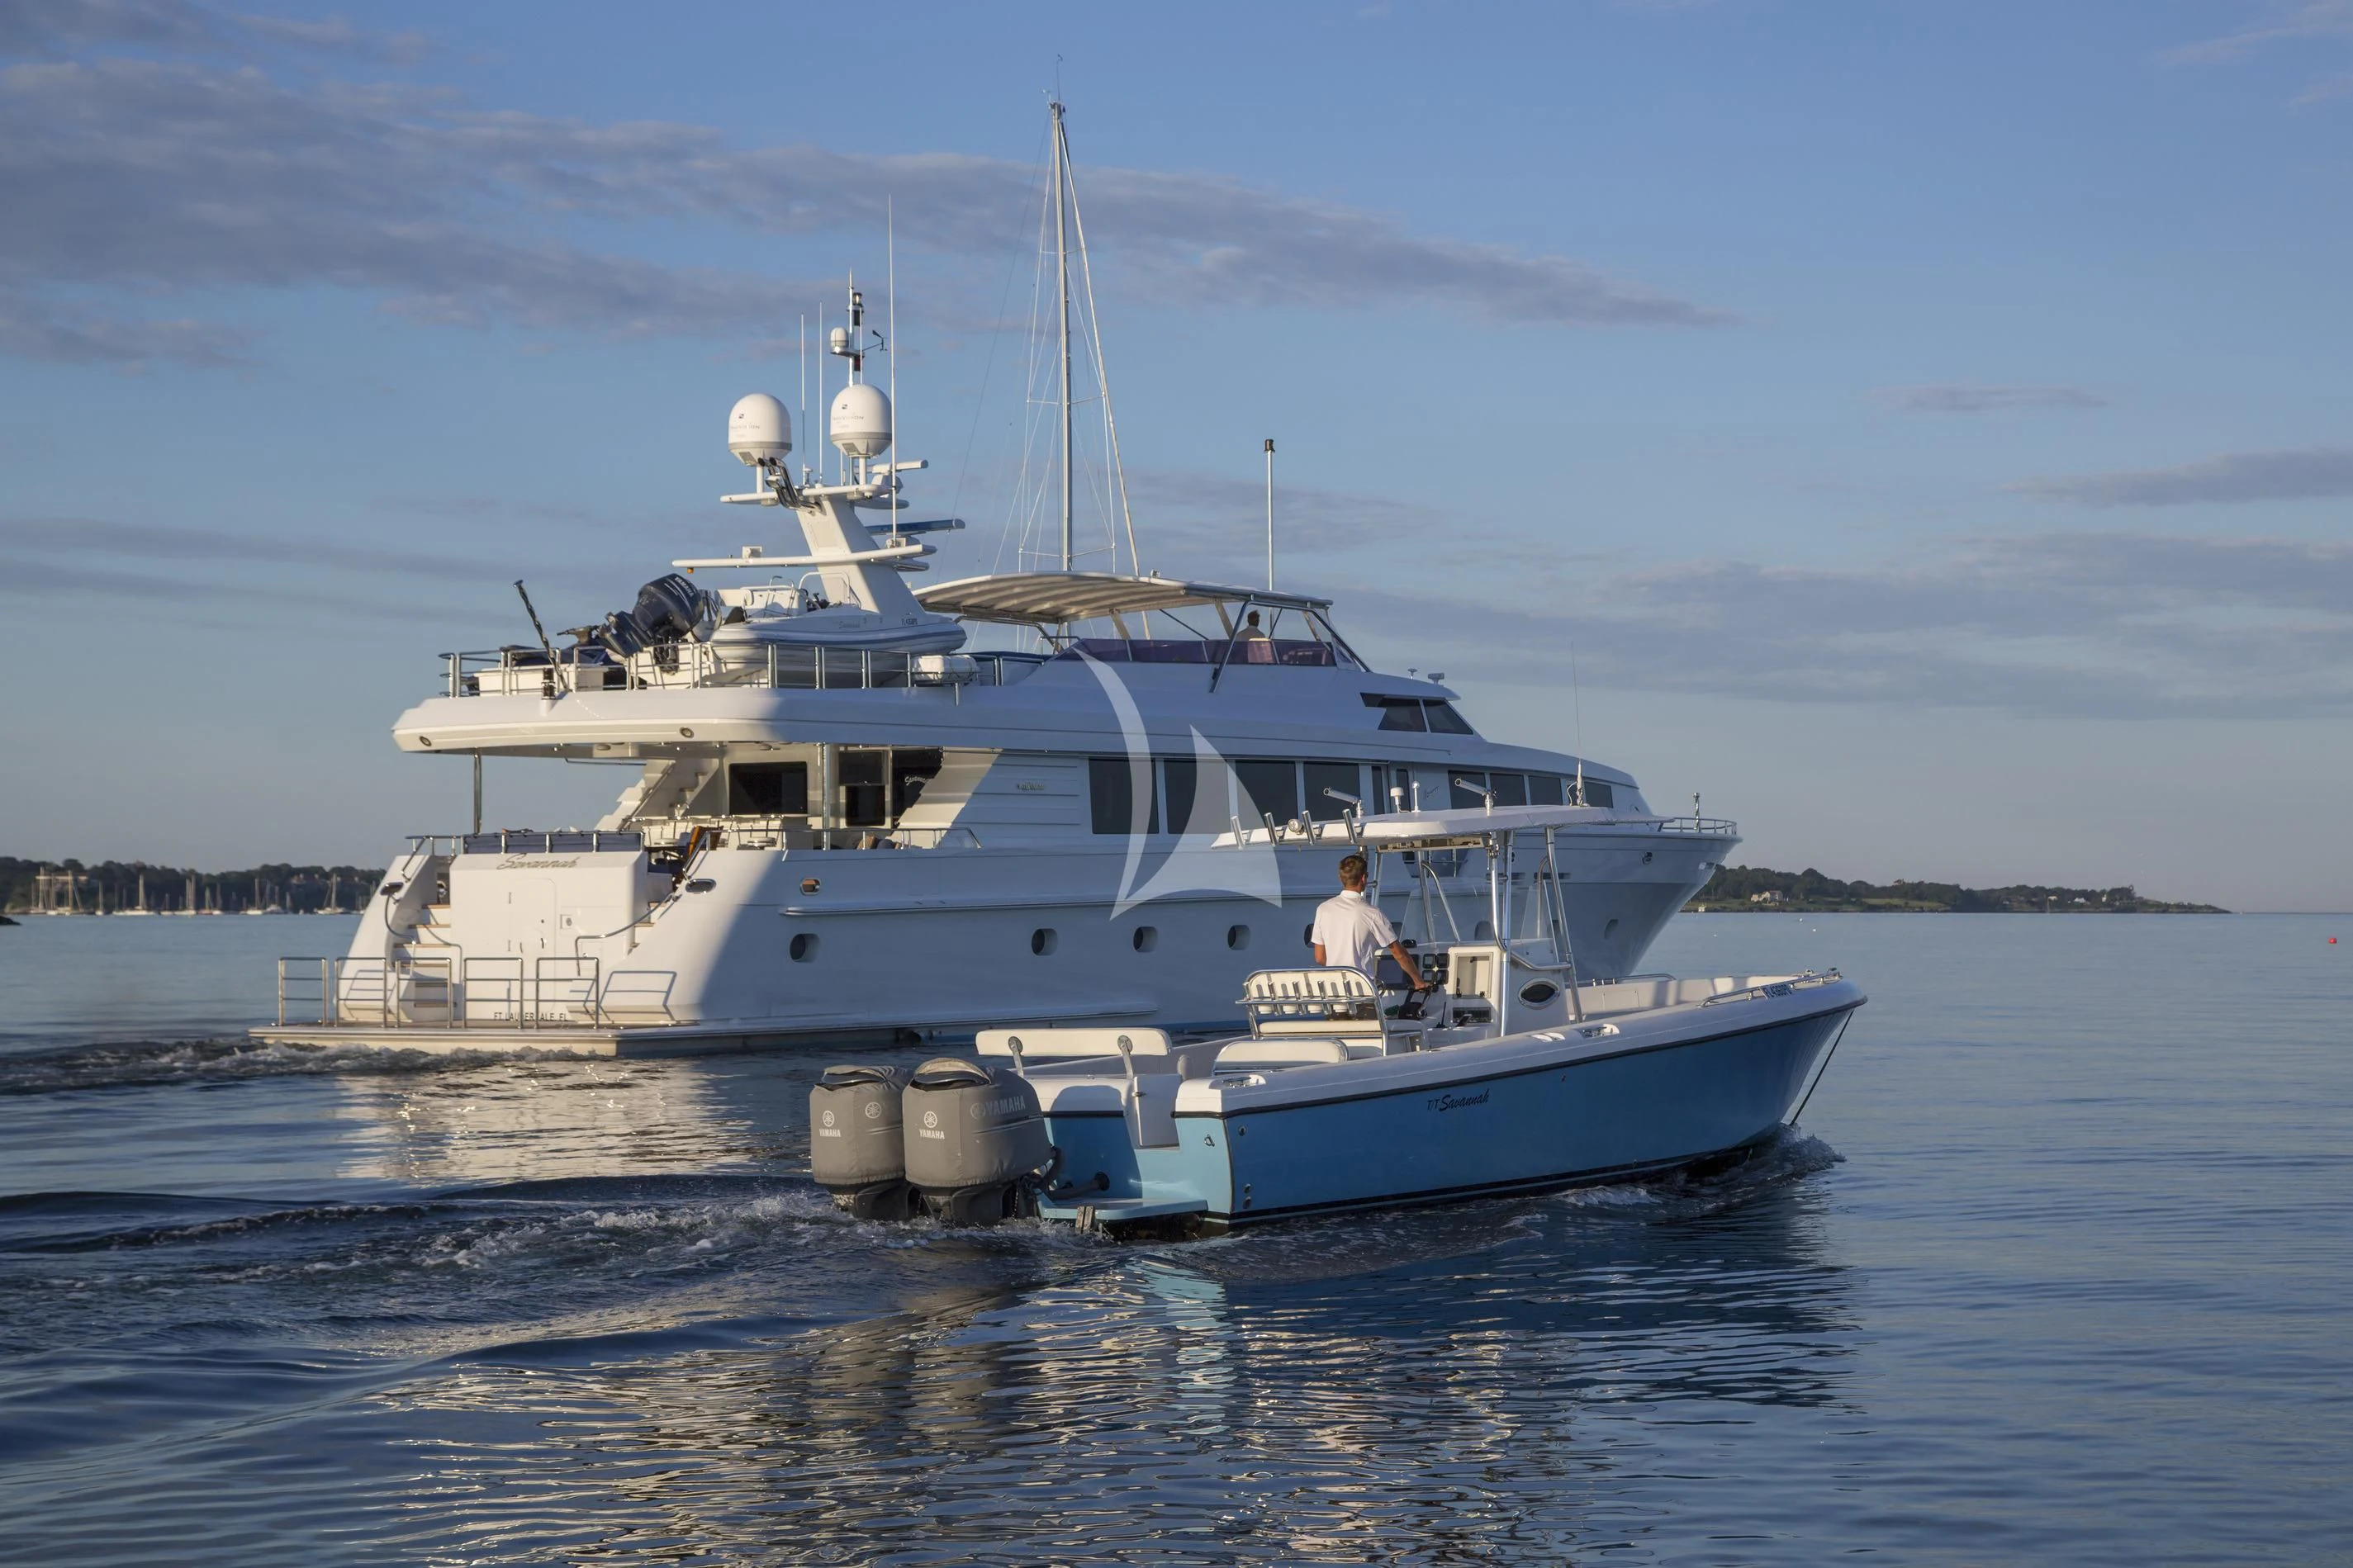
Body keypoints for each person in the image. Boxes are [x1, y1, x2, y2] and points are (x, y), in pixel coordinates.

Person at [1312, 853, 1424, 988]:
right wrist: (1418, 981)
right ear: (1364, 878)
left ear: (1341, 878)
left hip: (1333, 989)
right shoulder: (1372, 913)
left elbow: (1320, 957)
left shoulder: (1323, 909)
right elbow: (1398, 953)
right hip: (1361, 990)